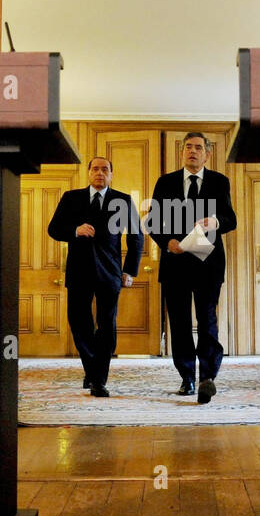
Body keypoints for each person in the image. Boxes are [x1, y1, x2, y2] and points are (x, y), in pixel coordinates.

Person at [146, 132, 237, 404]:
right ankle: (187, 377)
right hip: (176, 264)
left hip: (208, 264)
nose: (193, 152)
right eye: (188, 147)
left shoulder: (220, 181)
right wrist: (167, 242)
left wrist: (215, 222)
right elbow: (152, 222)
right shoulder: (166, 182)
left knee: (208, 320)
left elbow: (230, 219)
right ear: (182, 152)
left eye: (198, 148)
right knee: (180, 323)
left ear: (207, 154)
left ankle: (207, 377)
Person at [47, 156, 143, 398]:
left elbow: (136, 237)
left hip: (110, 273)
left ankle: (98, 380)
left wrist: (130, 270)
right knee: (79, 323)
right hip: (78, 271)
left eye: (105, 169)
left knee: (106, 326)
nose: (100, 173)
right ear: (88, 173)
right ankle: (92, 370)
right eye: (96, 169)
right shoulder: (71, 198)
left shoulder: (122, 200)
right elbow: (54, 229)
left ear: (111, 174)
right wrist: (74, 230)